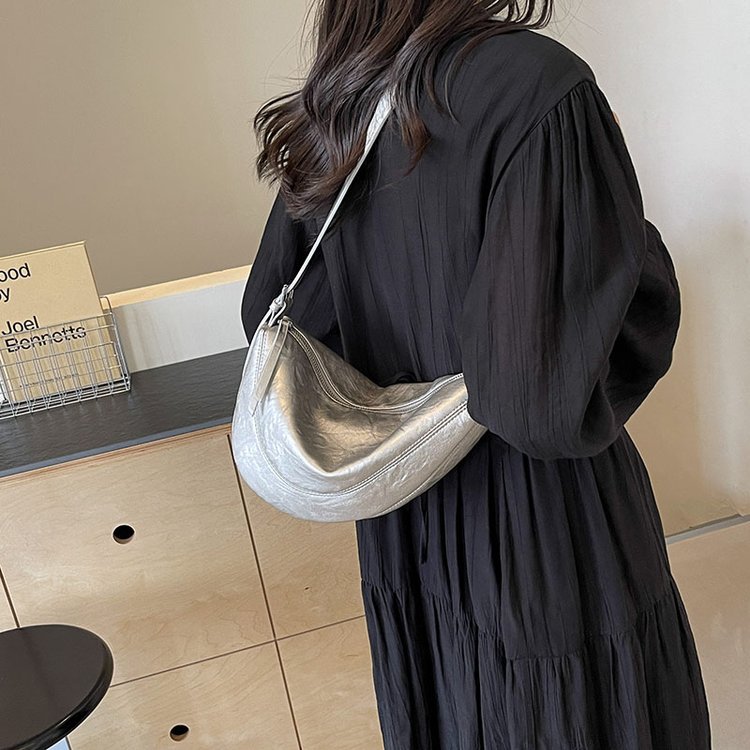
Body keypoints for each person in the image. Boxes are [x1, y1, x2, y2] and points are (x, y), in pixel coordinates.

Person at [240, 2, 712, 748]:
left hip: (405, 517)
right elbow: (539, 405)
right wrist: (623, 235)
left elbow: (281, 315)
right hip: (547, 532)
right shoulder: (538, 86)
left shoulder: (347, 96)